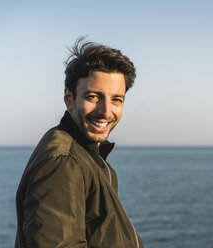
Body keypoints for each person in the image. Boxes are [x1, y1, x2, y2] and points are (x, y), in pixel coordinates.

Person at [15, 38, 143, 248]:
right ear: (69, 98)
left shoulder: (86, 153)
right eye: (94, 97)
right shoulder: (63, 161)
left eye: (116, 100)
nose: (105, 111)